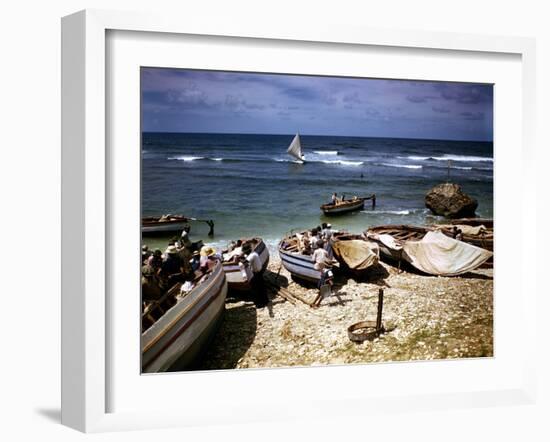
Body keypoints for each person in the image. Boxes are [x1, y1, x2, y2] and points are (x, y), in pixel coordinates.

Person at [243, 242, 268, 308]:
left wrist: (238, 260)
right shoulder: (253, 254)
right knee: (262, 287)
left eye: (245, 252)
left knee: (256, 289)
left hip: (257, 273)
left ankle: (259, 303)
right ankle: (265, 301)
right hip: (259, 272)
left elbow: (245, 262)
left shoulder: (252, 255)